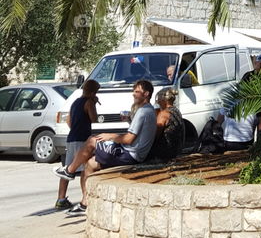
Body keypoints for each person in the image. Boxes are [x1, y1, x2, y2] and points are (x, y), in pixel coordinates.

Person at [55, 79, 157, 213]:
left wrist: (111, 136)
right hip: (130, 152)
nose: (133, 94)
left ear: (146, 94)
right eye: (134, 91)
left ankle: (69, 171)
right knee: (90, 164)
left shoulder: (143, 112)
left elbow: (128, 139)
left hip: (130, 153)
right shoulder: (147, 110)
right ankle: (85, 203)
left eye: (137, 92)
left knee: (92, 141)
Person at [55, 79, 100, 213]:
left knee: (68, 169)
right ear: (92, 92)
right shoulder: (89, 102)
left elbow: (68, 120)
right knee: (85, 169)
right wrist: (94, 103)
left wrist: (75, 127)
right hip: (82, 139)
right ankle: (85, 199)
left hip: (71, 137)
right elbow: (94, 118)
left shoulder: (75, 102)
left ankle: (61, 199)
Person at [150, 88, 185, 163]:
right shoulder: (176, 111)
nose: (158, 102)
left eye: (158, 100)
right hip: (176, 150)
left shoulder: (164, 114)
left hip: (165, 152)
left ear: (163, 100)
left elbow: (155, 134)